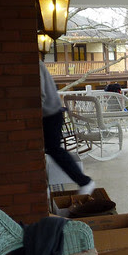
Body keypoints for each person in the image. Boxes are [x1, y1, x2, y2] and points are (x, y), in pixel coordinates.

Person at [39, 60, 95, 194]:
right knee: (52, 149)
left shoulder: (33, 64)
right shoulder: (37, 64)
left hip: (50, 114)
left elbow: (40, 94)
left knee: (54, 149)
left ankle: (85, 181)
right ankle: (84, 181)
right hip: (51, 112)